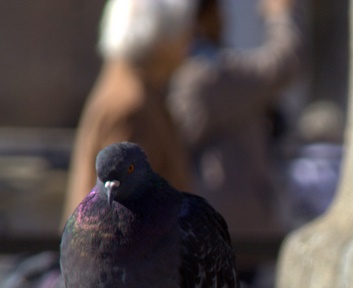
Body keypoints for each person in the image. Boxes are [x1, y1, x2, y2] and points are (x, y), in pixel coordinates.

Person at [168, 0, 303, 248]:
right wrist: (279, 14)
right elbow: (282, 65)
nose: (224, 18)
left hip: (216, 220)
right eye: (217, 11)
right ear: (201, 19)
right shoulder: (207, 76)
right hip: (233, 226)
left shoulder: (187, 72)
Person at [63, 0, 196, 220]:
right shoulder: (133, 105)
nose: (188, 44)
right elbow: (122, 219)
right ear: (162, 40)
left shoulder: (127, 84)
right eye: (184, 32)